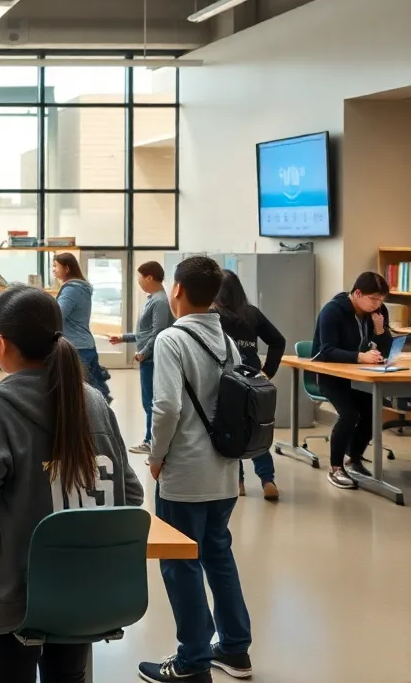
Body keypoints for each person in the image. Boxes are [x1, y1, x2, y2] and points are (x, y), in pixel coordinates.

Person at [0, 284, 143, 683]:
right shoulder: (93, 400)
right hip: (83, 585)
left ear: (4, 343)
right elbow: (131, 495)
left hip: (14, 594)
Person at [140, 256, 252, 683]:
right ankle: (235, 648)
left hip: (184, 474)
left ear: (178, 291)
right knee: (218, 555)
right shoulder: (223, 338)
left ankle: (192, 660)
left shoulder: (172, 339)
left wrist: (156, 456)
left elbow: (166, 406)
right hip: (224, 471)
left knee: (180, 562)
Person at [311, 270, 393, 490]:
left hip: (360, 376)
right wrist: (360, 356)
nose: (378, 304)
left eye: (381, 300)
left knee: (372, 411)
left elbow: (385, 350)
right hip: (331, 376)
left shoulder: (377, 312)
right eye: (373, 299)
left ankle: (353, 458)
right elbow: (325, 351)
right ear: (357, 293)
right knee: (349, 414)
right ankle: (335, 467)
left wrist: (379, 330)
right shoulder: (332, 311)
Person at [214, 269, 286, 501]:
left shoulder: (213, 315)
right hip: (254, 380)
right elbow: (278, 341)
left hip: (228, 382)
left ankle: (239, 481)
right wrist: (267, 372)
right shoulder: (252, 313)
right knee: (257, 429)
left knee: (232, 430)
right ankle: (267, 479)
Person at [110, 261, 173, 454]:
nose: (139, 281)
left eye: (140, 277)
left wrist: (143, 353)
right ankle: (151, 439)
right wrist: (124, 338)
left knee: (151, 402)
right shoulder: (153, 299)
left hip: (152, 360)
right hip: (148, 358)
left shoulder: (160, 301)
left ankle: (151, 441)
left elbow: (158, 332)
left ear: (150, 277)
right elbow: (145, 332)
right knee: (149, 401)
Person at [52, 252, 111, 401]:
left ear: (66, 268)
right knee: (90, 390)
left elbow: (58, 314)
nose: (53, 269)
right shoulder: (81, 288)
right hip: (85, 344)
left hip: (76, 347)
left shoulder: (71, 289)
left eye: (55, 266)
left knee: (79, 393)